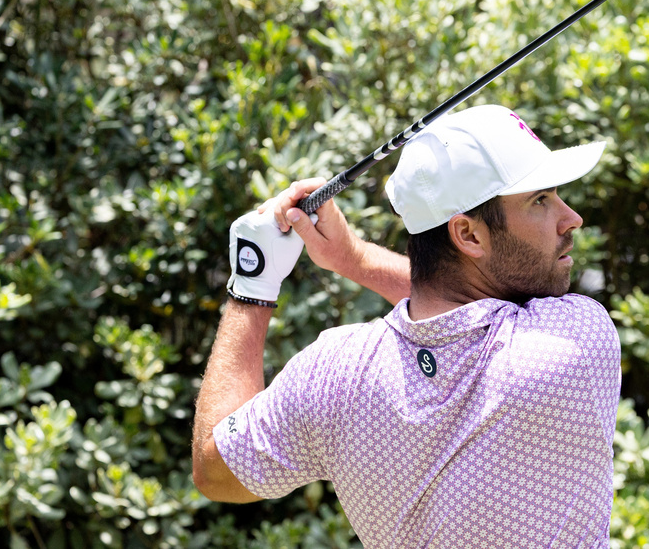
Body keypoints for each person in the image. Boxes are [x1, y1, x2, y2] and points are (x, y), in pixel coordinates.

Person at [192, 105, 621, 548]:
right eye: (540, 201)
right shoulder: (577, 337)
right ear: (468, 235)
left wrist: (253, 284)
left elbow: (216, 472)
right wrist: (355, 259)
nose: (571, 218)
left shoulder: (333, 376)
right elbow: (467, 321)